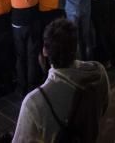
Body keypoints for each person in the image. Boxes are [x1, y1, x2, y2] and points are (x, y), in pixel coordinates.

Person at [12, 15, 109, 143]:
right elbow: (104, 108)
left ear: (45, 52)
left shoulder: (34, 103)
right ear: (76, 47)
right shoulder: (99, 72)